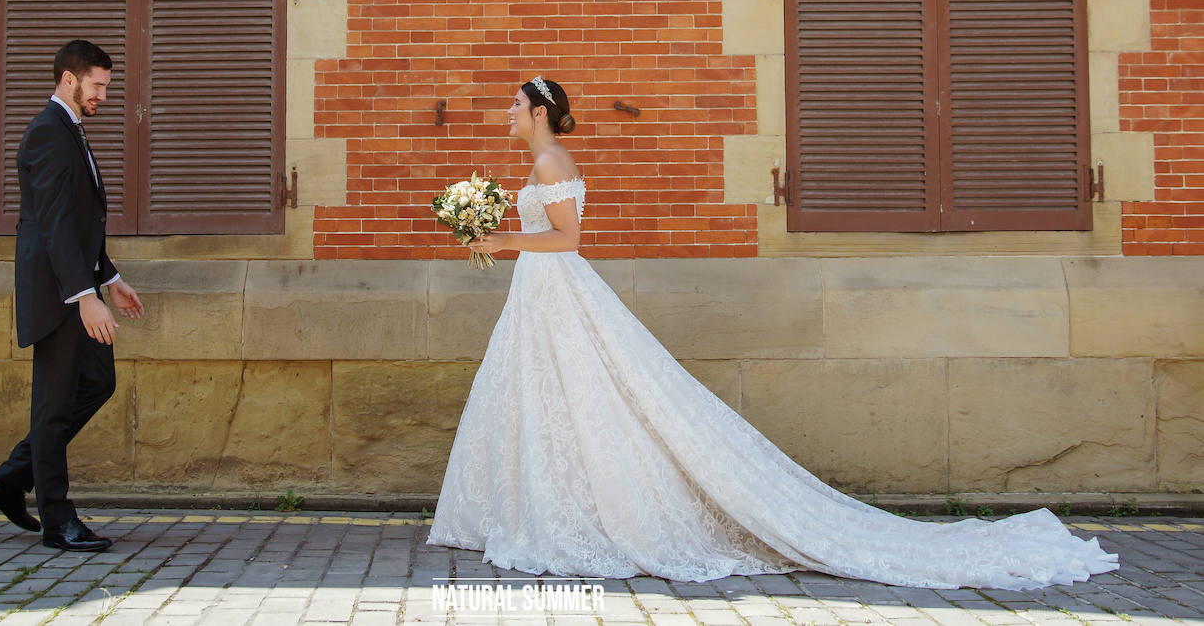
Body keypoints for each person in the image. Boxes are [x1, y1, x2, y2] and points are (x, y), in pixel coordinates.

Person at [427, 76, 1118, 588]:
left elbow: (569, 241)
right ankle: (526, 507)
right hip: (541, 296)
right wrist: (502, 235)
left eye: (517, 106)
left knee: (581, 395)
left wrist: (499, 235)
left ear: (541, 112)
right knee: (547, 397)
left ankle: (578, 513)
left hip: (555, 287)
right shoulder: (541, 165)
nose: (508, 115)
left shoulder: (550, 164)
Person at [0, 39, 145, 552]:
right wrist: (83, 294)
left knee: (97, 380)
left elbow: (78, 222)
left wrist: (110, 280)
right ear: (69, 80)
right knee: (52, 407)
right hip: (58, 294)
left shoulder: (69, 130)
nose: (104, 95)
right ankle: (56, 519)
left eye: (106, 86)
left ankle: (10, 479)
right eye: (97, 85)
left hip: (77, 284)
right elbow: (51, 223)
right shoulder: (49, 132)